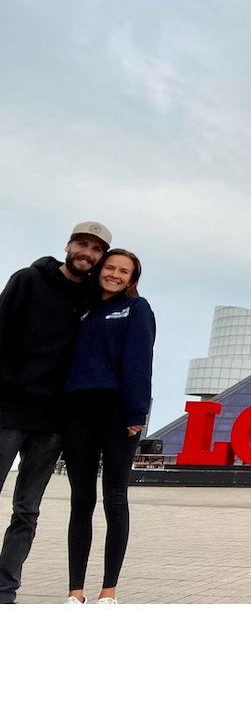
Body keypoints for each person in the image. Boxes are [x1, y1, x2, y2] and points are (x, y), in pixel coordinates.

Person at [0, 221, 112, 604]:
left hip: (52, 422)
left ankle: (4, 591)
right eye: (82, 244)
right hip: (9, 411)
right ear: (68, 246)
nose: (87, 254)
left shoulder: (93, 299)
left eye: (96, 250)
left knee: (26, 510)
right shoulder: (28, 280)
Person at [62, 248, 155, 604]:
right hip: (77, 413)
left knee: (114, 498)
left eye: (123, 271)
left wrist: (136, 414)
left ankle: (109, 591)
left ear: (132, 279)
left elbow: (139, 361)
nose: (114, 275)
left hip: (117, 415)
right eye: (110, 268)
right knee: (81, 500)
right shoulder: (83, 309)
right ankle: (75, 592)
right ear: (100, 270)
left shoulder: (136, 308)